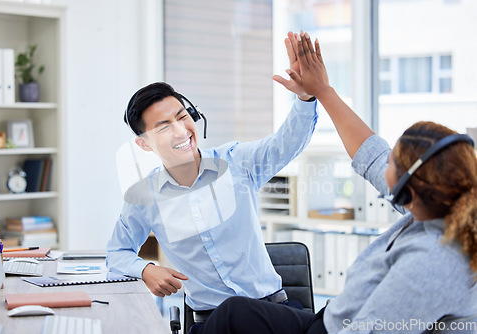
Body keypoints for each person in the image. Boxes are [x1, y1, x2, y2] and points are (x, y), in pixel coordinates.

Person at [195, 31, 477, 334]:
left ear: (410, 188)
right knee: (232, 313)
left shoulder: (429, 266)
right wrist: (322, 92)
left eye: (394, 162)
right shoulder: (442, 213)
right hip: (332, 319)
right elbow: (372, 155)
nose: (385, 165)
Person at [105, 36, 320, 331]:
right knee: (231, 313)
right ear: (144, 144)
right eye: (164, 126)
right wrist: (145, 269)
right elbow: (116, 253)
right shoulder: (144, 198)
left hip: (271, 314)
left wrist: (305, 98)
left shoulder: (237, 163)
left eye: (182, 117)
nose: (181, 131)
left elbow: (286, 144)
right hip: (213, 325)